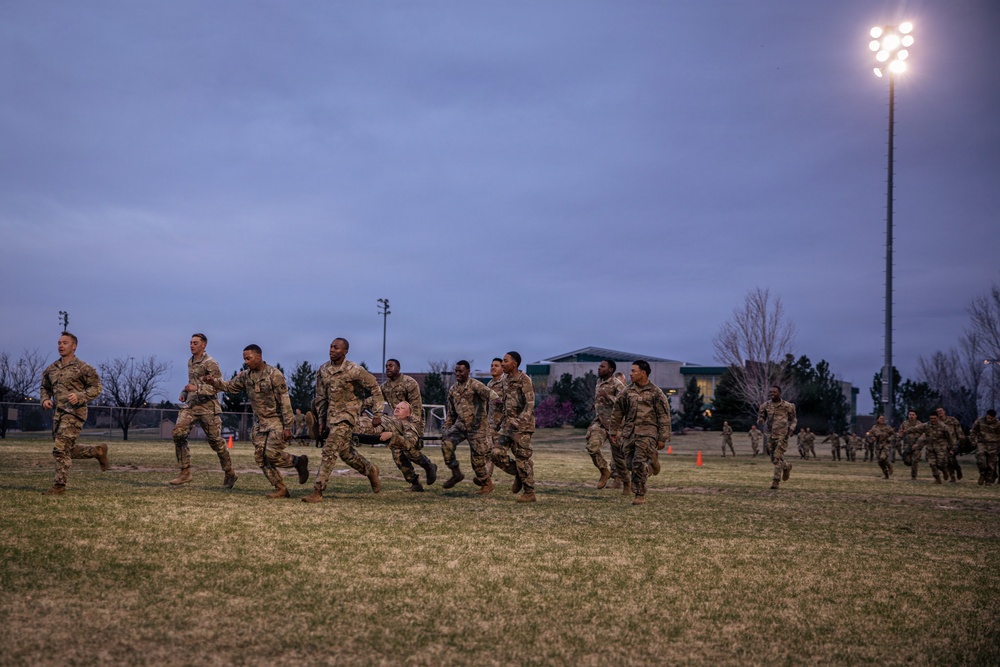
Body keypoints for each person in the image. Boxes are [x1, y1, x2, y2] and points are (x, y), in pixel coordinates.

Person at [205, 345, 309, 498]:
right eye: (244, 359)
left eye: (249, 358)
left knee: (272, 454)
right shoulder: (246, 376)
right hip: (260, 423)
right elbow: (230, 386)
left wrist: (288, 426)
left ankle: (298, 462)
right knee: (260, 458)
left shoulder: (274, 374)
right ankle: (280, 488)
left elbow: (285, 401)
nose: (246, 362)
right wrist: (213, 382)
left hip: (276, 421)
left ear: (259, 357)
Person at [303, 338, 383, 503]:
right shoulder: (323, 370)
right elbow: (321, 397)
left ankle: (318, 490)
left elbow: (375, 387)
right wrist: (322, 421)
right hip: (331, 417)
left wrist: (377, 413)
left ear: (345, 351)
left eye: (336, 347)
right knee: (346, 454)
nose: (332, 350)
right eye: (331, 346)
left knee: (329, 450)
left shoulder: (354, 370)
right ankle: (371, 470)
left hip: (347, 416)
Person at [39, 332, 106, 495]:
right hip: (58, 415)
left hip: (75, 414)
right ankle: (97, 451)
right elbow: (44, 387)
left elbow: (97, 387)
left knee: (60, 449)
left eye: (65, 343)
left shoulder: (84, 368)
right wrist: (45, 400)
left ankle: (59, 486)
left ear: (74, 346)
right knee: (65, 449)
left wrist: (80, 396)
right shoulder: (51, 369)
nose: (61, 346)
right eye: (59, 343)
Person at [170, 333, 237, 488]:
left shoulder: (210, 363)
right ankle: (185, 471)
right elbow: (191, 382)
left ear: (203, 345)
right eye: (190, 342)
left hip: (208, 408)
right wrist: (185, 392)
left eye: (195, 343)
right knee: (178, 433)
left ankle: (229, 472)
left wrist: (197, 388)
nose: (191, 345)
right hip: (192, 406)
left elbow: (217, 386)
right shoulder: (190, 362)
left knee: (216, 442)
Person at [610, 359, 671, 506]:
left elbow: (664, 416)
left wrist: (662, 437)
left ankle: (640, 494)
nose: (630, 374)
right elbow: (617, 411)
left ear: (643, 373)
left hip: (648, 433)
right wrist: (613, 430)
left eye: (633, 371)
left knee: (638, 462)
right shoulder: (627, 391)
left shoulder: (656, 392)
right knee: (630, 464)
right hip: (629, 433)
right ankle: (652, 462)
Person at [440, 360, 498, 493]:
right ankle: (456, 473)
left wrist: (497, 401)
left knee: (477, 460)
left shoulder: (475, 385)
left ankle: (486, 483)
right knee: (446, 443)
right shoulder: (453, 389)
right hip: (460, 425)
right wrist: (446, 429)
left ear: (468, 371)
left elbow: (490, 394)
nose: (458, 373)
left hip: (477, 428)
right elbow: (451, 413)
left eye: (461, 371)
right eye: (456, 371)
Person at [491, 351, 538, 503]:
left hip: (522, 427)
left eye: (505, 361)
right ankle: (517, 472)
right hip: (507, 425)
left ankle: (529, 493)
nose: (502, 364)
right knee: (496, 453)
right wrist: (497, 424)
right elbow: (504, 405)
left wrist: (519, 420)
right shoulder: (505, 380)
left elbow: (530, 405)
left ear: (514, 364)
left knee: (522, 459)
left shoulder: (524, 380)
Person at [374, 402, 437, 492]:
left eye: (402, 408)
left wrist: (392, 435)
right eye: (397, 407)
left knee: (410, 452)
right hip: (398, 443)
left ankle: (429, 466)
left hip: (410, 444)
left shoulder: (410, 423)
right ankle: (415, 484)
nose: (398, 408)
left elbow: (410, 442)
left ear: (408, 414)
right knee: (398, 457)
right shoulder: (390, 421)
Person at [586, 359, 624, 488]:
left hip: (616, 426)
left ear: (610, 370)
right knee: (592, 447)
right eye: (599, 366)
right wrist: (596, 404)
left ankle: (625, 482)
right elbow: (601, 399)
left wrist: (608, 397)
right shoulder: (599, 382)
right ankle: (604, 471)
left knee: (619, 457)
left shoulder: (617, 384)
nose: (599, 368)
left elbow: (625, 404)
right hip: (600, 422)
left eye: (602, 367)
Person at [758, 385, 796, 490]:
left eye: (774, 392)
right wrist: (761, 420)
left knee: (777, 457)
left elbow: (794, 419)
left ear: (779, 393)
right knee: (773, 459)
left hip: (782, 435)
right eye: (771, 392)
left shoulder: (788, 406)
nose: (772, 394)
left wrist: (792, 429)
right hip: (770, 435)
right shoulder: (766, 405)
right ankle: (786, 466)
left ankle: (775, 481)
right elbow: (761, 417)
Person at [381, 359, 424, 436]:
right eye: (386, 366)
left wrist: (412, 428)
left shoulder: (409, 383)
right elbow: (374, 399)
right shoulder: (384, 387)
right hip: (396, 421)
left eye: (391, 366)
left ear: (398, 368)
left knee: (410, 446)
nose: (387, 368)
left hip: (412, 421)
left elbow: (416, 408)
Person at [909, 412, 955, 484]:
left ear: (937, 418)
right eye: (931, 419)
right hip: (930, 448)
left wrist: (951, 448)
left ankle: (944, 470)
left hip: (941, 448)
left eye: (934, 418)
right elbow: (915, 429)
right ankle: (937, 478)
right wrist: (904, 431)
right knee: (932, 464)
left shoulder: (943, 427)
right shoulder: (926, 425)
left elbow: (949, 438)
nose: (933, 420)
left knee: (941, 463)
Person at [970, 409, 1000, 486]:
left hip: (993, 444)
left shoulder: (997, 424)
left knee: (991, 463)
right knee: (980, 457)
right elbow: (974, 431)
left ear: (994, 418)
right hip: (982, 442)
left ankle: (988, 479)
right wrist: (973, 440)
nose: (989, 419)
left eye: (991, 418)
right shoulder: (980, 421)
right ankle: (982, 474)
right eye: (988, 417)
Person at [936, 407, 965, 482]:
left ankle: (958, 469)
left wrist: (962, 440)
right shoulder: (936, 422)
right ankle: (952, 477)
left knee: (952, 460)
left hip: (953, 442)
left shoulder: (952, 420)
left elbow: (959, 430)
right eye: (938, 411)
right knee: (946, 461)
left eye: (941, 411)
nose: (940, 412)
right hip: (942, 443)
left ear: (944, 411)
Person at [898, 410, 924, 479]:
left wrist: (918, 443)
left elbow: (924, 434)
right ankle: (909, 462)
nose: (911, 416)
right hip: (907, 445)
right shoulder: (904, 423)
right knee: (907, 461)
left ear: (916, 416)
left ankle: (913, 476)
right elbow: (900, 432)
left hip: (916, 445)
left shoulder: (920, 424)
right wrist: (899, 437)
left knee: (915, 460)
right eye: (910, 414)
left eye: (913, 415)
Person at [869, 415, 896, 479]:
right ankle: (886, 475)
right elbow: (871, 435)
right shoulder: (874, 428)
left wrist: (890, 438)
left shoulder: (888, 427)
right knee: (880, 462)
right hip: (878, 446)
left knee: (883, 457)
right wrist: (873, 439)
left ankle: (889, 466)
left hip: (886, 445)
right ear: (878, 419)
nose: (882, 419)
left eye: (883, 418)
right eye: (881, 418)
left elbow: (894, 434)